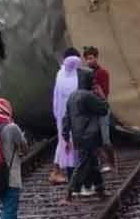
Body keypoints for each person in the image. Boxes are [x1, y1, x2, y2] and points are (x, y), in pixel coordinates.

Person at [62, 70, 108, 203]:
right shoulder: (89, 96)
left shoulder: (72, 96)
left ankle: (100, 191)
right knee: (83, 164)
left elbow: (67, 118)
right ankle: (69, 194)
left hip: (78, 136)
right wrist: (101, 96)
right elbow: (104, 109)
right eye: (92, 81)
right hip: (90, 136)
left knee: (92, 163)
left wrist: (65, 135)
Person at [83, 46, 117, 172]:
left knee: (105, 137)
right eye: (86, 59)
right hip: (91, 110)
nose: (88, 61)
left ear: (96, 58)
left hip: (101, 108)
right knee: (94, 137)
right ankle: (103, 162)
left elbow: (105, 93)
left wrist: (96, 90)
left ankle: (111, 163)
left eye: (90, 58)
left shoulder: (102, 73)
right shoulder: (86, 74)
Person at [50, 48, 81, 184]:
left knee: (64, 141)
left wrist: (57, 114)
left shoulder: (60, 74)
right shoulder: (76, 75)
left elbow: (56, 98)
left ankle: (61, 171)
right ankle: (57, 171)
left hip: (62, 114)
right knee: (68, 142)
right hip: (73, 114)